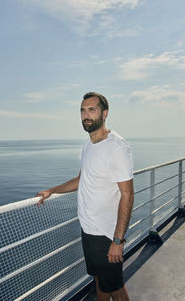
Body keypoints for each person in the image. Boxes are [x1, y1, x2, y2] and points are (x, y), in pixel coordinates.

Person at [36, 92, 134, 301]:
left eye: (92, 109)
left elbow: (127, 194)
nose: (86, 115)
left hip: (106, 235)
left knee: (115, 287)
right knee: (98, 278)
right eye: (82, 110)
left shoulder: (116, 146)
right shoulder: (88, 145)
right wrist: (52, 190)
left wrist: (118, 240)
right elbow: (81, 180)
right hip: (88, 229)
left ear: (105, 113)